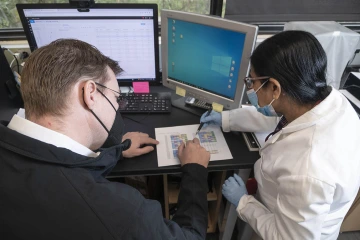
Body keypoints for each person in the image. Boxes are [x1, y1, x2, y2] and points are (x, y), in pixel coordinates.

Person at [0, 39, 210, 239]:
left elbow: (61, 161)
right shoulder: (120, 213)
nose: (118, 106)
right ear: (90, 93)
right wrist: (195, 170)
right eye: (116, 98)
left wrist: (118, 150)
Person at [200, 30, 360, 239]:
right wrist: (226, 119)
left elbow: (286, 236)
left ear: (275, 88)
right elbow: (275, 114)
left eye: (253, 82)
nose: (250, 88)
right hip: (292, 204)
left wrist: (244, 203)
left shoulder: (308, 170)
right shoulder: (324, 100)